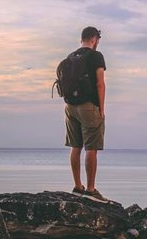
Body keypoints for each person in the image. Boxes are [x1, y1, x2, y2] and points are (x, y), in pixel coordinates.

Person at [64, 26, 108, 203]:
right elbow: (100, 84)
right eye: (98, 39)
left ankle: (77, 186)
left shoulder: (71, 57)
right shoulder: (96, 56)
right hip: (88, 107)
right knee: (91, 148)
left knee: (76, 146)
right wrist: (102, 108)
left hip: (70, 106)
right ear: (94, 38)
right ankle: (90, 190)